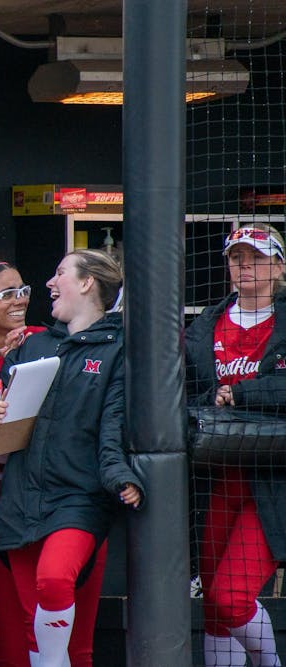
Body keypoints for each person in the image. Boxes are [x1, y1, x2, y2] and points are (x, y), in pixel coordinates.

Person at [0, 249, 142, 667]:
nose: (50, 284)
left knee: (53, 581)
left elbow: (113, 428)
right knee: (29, 621)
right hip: (19, 501)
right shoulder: (31, 344)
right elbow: (1, 437)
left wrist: (119, 476)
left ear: (88, 282)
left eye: (60, 274)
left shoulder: (119, 349)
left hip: (78, 499)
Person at [0, 260, 106, 667]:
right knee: (15, 632)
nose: (20, 301)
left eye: (22, 290)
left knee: (76, 635)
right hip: (5, 498)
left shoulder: (47, 338)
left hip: (71, 495)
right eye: (6, 295)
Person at [185, 223, 286, 667]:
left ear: (279, 266)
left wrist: (242, 393)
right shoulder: (206, 322)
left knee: (231, 596)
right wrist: (213, 398)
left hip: (273, 480)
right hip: (214, 476)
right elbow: (184, 391)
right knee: (213, 604)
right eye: (236, 258)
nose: (245, 266)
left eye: (258, 257)